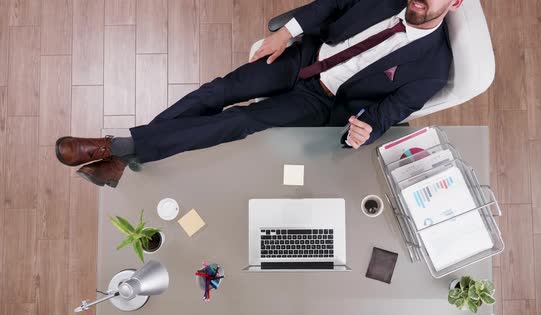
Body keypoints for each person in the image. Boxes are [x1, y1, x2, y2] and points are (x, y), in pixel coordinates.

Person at [56, 0, 462, 187]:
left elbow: (390, 111)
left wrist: (366, 129)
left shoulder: (432, 68)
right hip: (305, 56)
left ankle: (115, 147)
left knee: (242, 119)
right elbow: (329, 6)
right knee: (216, 92)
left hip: (322, 99)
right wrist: (286, 34)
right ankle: (125, 158)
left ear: (455, 3)